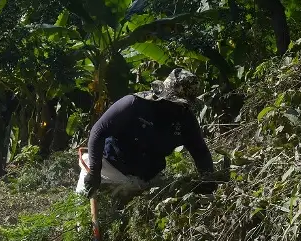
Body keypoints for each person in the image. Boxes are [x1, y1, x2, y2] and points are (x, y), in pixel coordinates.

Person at [77, 68, 214, 197]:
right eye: (174, 103)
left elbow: (200, 152)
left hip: (143, 181)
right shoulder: (135, 104)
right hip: (107, 168)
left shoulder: (186, 120)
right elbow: (98, 132)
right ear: (163, 96)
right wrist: (94, 172)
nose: (178, 108)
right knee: (84, 209)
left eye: (183, 105)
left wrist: (208, 181)